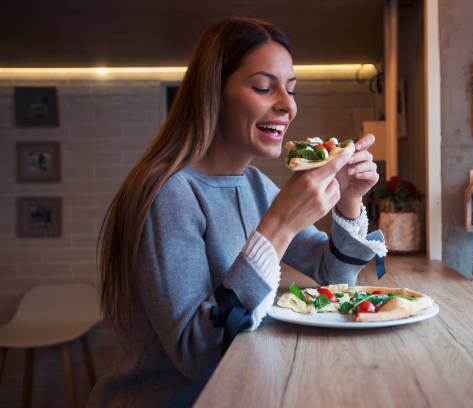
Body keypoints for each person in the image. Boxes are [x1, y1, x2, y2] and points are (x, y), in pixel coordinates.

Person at [88, 17, 386, 407]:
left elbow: (334, 279)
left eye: (291, 89)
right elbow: (199, 354)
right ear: (214, 93)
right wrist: (278, 226)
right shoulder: (169, 192)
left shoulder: (254, 185)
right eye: (264, 87)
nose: (288, 105)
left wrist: (348, 200)